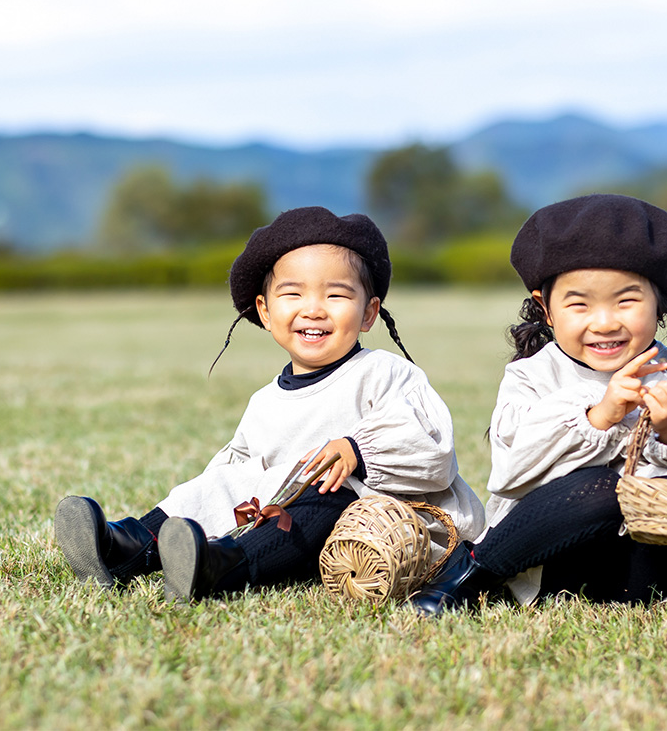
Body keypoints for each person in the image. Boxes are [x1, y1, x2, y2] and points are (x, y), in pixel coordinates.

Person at [407, 194, 667, 627]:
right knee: (606, 488)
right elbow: (509, 475)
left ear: (660, 303)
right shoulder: (531, 376)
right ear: (546, 308)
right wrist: (598, 416)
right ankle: (472, 577)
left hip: (655, 566)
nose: (604, 322)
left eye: (626, 301)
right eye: (579, 304)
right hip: (560, 562)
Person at [54, 206, 486, 603]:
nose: (313, 310)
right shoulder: (265, 402)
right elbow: (233, 476)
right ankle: (131, 546)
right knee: (219, 483)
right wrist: (210, 500)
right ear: (264, 311)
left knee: (325, 489)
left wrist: (359, 450)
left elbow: (431, 446)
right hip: (291, 525)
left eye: (336, 296)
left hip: (397, 530)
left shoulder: (384, 373)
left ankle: (221, 566)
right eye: (293, 294)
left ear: (369, 313)